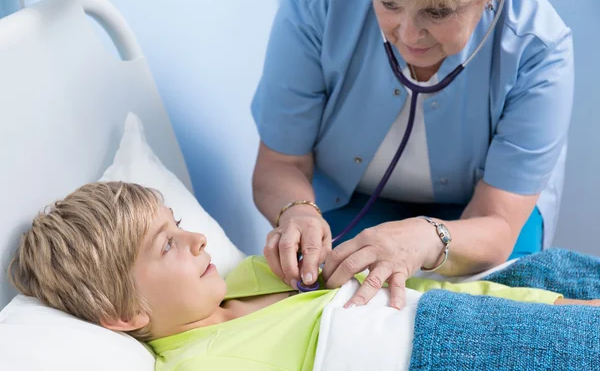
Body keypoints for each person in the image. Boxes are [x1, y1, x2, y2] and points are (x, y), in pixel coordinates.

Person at [7, 182, 598, 370]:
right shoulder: (196, 361)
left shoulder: (242, 279)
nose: (198, 238)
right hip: (461, 333)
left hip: (510, 291)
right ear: (125, 315)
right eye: (168, 245)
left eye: (181, 224)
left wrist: (309, 236)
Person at [250, 0, 574, 309]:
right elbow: (280, 164)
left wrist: (429, 237)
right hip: (345, 201)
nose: (408, 34)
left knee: (499, 314)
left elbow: (499, 223)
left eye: (437, 12)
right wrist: (298, 213)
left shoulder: (538, 45)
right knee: (326, 302)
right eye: (389, 3)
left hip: (482, 219)